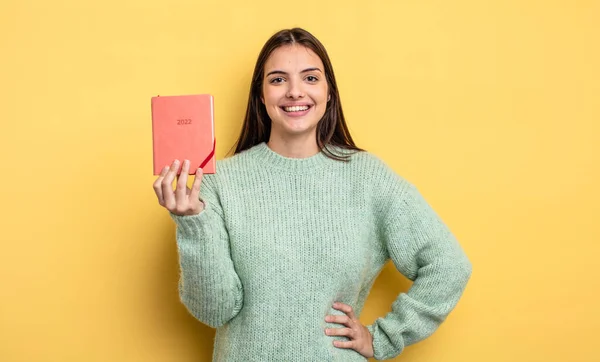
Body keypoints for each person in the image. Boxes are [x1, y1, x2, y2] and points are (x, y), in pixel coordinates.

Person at [152, 27, 472, 361]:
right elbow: (214, 311)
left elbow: (449, 265)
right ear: (261, 95)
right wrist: (193, 223)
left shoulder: (368, 178)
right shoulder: (220, 182)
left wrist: (383, 337)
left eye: (310, 78)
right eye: (277, 80)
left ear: (328, 92)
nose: (294, 92)